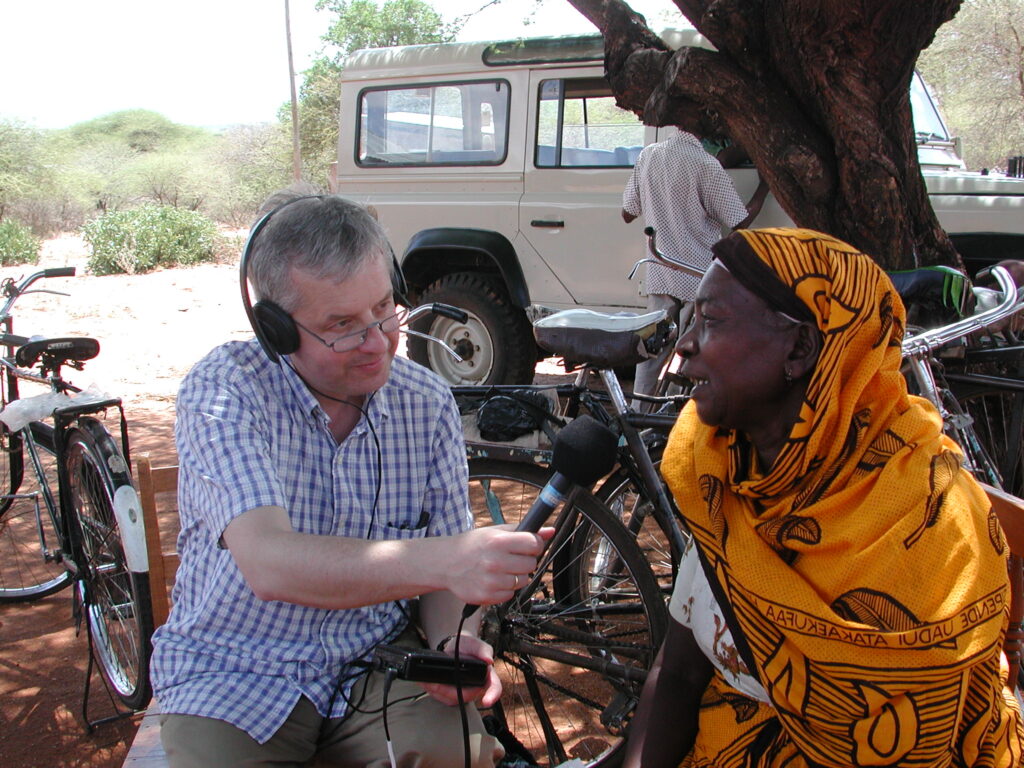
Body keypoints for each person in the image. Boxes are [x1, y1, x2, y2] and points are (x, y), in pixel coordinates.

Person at [150, 190, 551, 767]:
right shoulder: (226, 390)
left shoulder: (426, 401)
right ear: (276, 330)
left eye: (385, 309)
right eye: (341, 325)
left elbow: (443, 570)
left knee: (458, 754)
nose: (378, 342)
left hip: (376, 661)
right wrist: (447, 559)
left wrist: (447, 642)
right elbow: (269, 563)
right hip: (233, 669)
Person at [624, 227, 1024, 767]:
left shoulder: (928, 516)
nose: (685, 346)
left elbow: (916, 744)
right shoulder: (724, 470)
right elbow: (678, 671)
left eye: (711, 321)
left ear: (801, 348)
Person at [621, 128, 767, 405]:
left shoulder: (649, 155)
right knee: (691, 356)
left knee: (651, 352)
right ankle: (675, 421)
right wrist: (765, 185)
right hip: (697, 276)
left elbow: (627, 212)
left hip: (660, 270)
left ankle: (636, 419)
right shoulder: (705, 164)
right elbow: (740, 220)